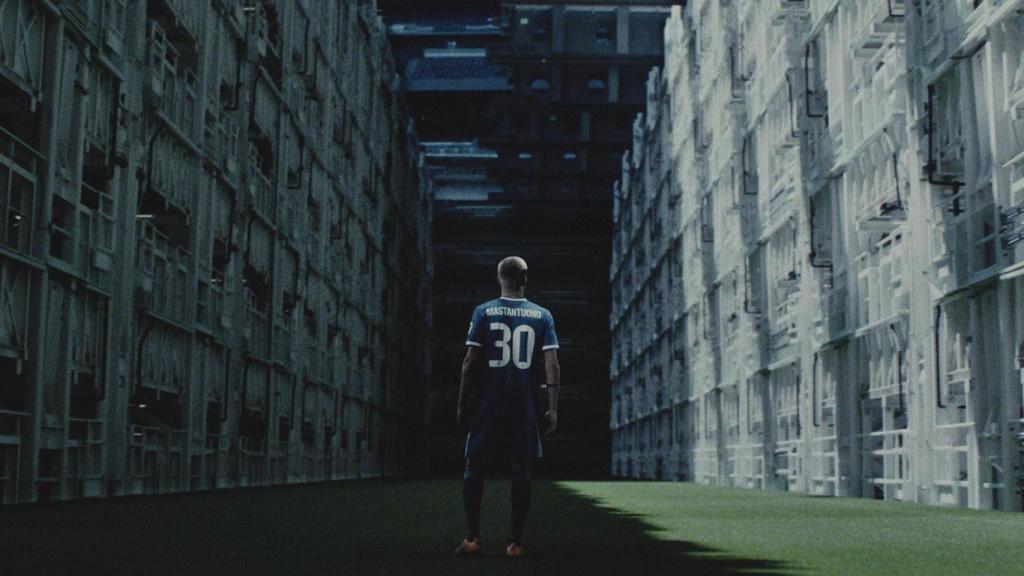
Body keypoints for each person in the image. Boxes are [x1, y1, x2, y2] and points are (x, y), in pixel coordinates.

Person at [454, 256, 560, 558]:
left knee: (473, 466)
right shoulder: (542, 315)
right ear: (525, 279)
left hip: (487, 404)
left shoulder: (483, 311)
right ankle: (514, 544)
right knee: (521, 470)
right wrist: (553, 407)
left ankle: (472, 539)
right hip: (522, 406)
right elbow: (552, 363)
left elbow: (470, 362)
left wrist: (462, 403)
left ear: (498, 278)